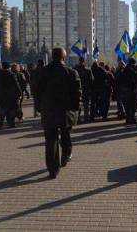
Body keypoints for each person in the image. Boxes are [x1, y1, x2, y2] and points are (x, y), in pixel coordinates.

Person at [36, 48, 81, 179]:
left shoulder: (43, 72)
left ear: (52, 57)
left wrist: (40, 107)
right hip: (65, 111)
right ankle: (66, 155)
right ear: (64, 57)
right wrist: (75, 109)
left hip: (49, 111)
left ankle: (52, 169)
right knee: (66, 134)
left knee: (51, 140)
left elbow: (37, 91)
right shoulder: (71, 72)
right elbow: (77, 93)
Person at [0, 62, 22, 130]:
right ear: (8, 67)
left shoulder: (0, 74)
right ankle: (11, 123)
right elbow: (16, 84)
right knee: (12, 109)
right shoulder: (11, 74)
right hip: (11, 95)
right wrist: (20, 93)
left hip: (2, 94)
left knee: (3, 109)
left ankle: (0, 123)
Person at [74, 57, 94, 123]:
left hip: (77, 90)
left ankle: (78, 119)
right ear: (84, 62)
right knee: (86, 105)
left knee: (78, 105)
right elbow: (91, 81)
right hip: (86, 90)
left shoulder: (75, 70)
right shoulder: (88, 70)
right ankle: (86, 118)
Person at [122, 58, 137, 124]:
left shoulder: (125, 69)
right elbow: (136, 79)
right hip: (132, 89)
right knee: (133, 105)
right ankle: (132, 118)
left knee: (127, 105)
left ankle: (128, 119)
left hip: (126, 89)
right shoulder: (133, 70)